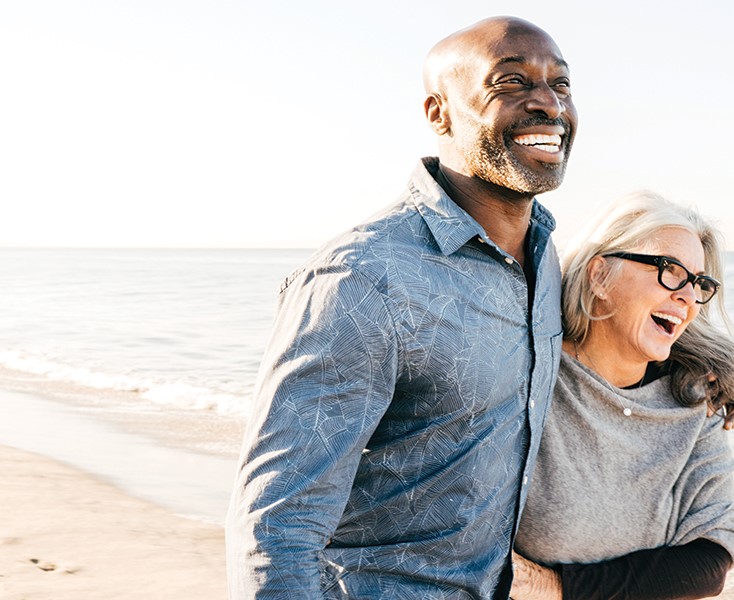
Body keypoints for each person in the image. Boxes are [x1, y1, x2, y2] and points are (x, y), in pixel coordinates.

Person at [226, 16, 577, 599]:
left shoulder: (544, 260)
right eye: (510, 82)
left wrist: (706, 370)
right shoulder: (361, 279)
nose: (548, 104)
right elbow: (277, 522)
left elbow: (616, 340)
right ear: (439, 113)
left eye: (560, 85)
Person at [509, 191, 734, 600]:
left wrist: (553, 587)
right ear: (600, 275)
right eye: (670, 270)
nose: (688, 297)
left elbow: (711, 559)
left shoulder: (696, 399)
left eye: (699, 284)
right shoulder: (529, 378)